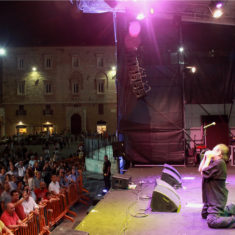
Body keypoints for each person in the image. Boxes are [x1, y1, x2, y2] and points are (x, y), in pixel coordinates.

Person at [198, 143, 235, 228]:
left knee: (212, 221)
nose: (211, 151)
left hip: (216, 199)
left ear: (219, 153)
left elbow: (203, 171)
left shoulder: (219, 163)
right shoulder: (214, 162)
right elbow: (201, 170)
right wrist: (205, 158)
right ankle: (231, 208)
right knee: (205, 214)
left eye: (214, 150)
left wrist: (208, 158)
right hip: (210, 199)